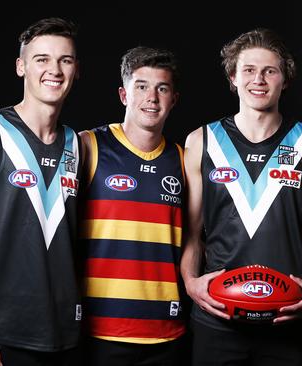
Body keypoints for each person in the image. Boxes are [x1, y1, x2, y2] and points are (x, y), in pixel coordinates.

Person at [180, 28, 302, 365]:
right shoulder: (202, 141)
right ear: (233, 77)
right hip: (218, 318)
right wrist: (191, 283)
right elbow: (192, 234)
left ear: (285, 80)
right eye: (248, 70)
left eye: (270, 71)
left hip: (287, 315)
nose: (258, 79)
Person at [0, 18, 81, 365]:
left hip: (66, 331)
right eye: (41, 59)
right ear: (21, 66)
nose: (54, 69)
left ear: (76, 70)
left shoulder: (78, 144)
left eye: (65, 60)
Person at [78, 46, 186, 365]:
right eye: (141, 86)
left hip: (167, 331)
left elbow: (205, 235)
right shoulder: (88, 145)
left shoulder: (184, 159)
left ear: (173, 99)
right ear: (124, 94)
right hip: (99, 331)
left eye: (162, 88)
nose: (151, 97)